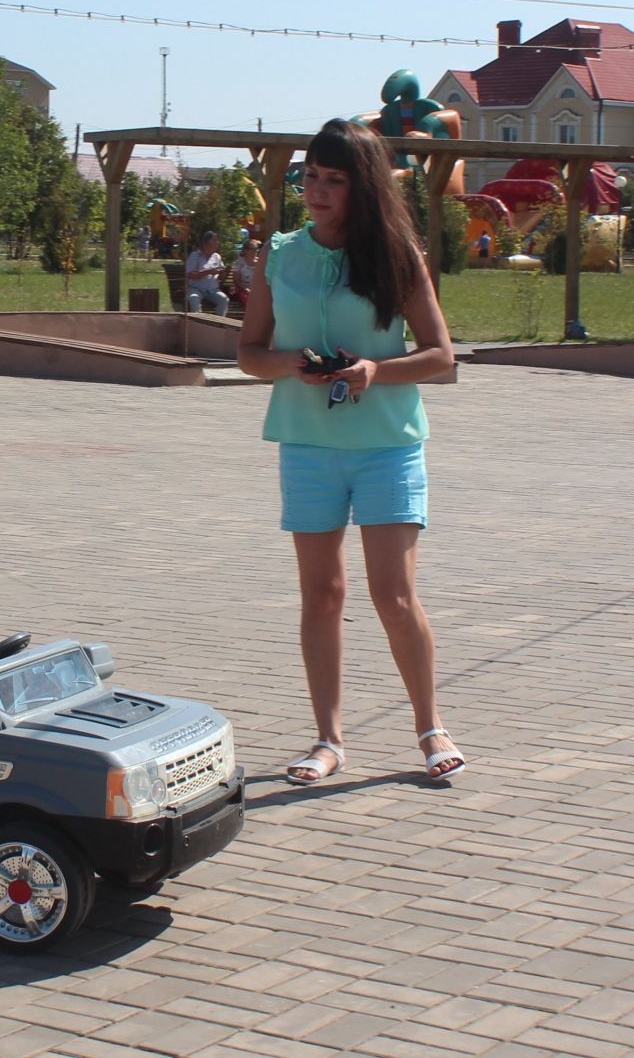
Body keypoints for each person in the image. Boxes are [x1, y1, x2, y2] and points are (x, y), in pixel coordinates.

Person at [235, 119, 465, 786]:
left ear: (362, 186)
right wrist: (287, 362)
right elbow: (248, 353)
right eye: (311, 175)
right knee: (321, 595)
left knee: (393, 594)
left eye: (335, 179)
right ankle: (328, 739)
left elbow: (441, 355)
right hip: (307, 445)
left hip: (386, 447)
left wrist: (373, 370)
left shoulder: (398, 253)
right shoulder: (280, 253)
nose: (318, 190)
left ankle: (431, 727)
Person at [185, 231, 229, 314]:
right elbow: (190, 275)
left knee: (224, 300)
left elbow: (221, 277)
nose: (217, 243)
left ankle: (218, 324)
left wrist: (222, 273)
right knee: (193, 299)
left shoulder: (217, 256)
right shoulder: (195, 255)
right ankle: (198, 323)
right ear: (206, 243)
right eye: (215, 241)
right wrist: (208, 272)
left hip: (213, 290)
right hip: (196, 289)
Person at [230, 239, 262, 309]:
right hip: (242, 290)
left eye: (256, 249)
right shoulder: (239, 263)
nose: (255, 251)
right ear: (245, 250)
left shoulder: (260, 262)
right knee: (250, 300)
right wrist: (246, 289)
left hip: (256, 290)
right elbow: (236, 281)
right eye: (252, 249)